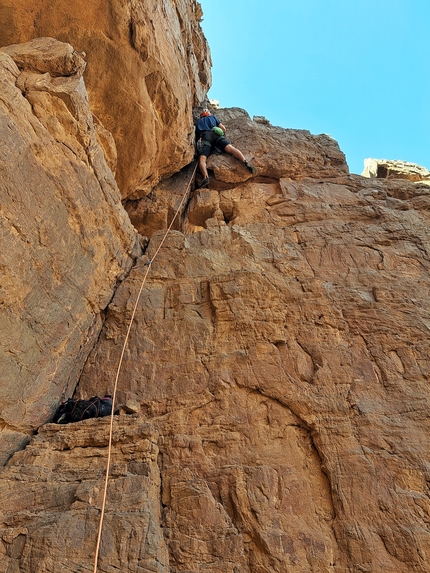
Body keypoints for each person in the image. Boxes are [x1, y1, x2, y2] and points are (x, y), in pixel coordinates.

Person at [195, 109, 256, 188]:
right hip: (216, 134)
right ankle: (245, 161)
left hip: (206, 137)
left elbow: (197, 136)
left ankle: (206, 177)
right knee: (230, 148)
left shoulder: (198, 123)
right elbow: (223, 128)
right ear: (208, 114)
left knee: (202, 159)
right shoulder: (213, 117)